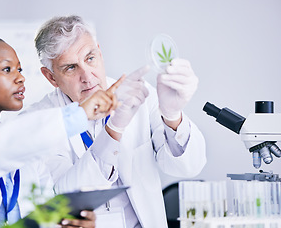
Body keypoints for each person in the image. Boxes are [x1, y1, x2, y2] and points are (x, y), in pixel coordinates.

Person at [24, 15, 207, 228]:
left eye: (90, 58)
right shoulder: (38, 121)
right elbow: (64, 200)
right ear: (51, 77)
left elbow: (189, 168)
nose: (87, 76)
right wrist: (114, 129)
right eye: (71, 68)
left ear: (100, 52)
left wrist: (173, 116)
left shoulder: (139, 94)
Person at [0, 36, 124, 228]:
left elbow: (40, 219)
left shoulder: (30, 159)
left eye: (20, 69)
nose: (21, 78)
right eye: (7, 69)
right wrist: (78, 115)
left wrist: (67, 222)